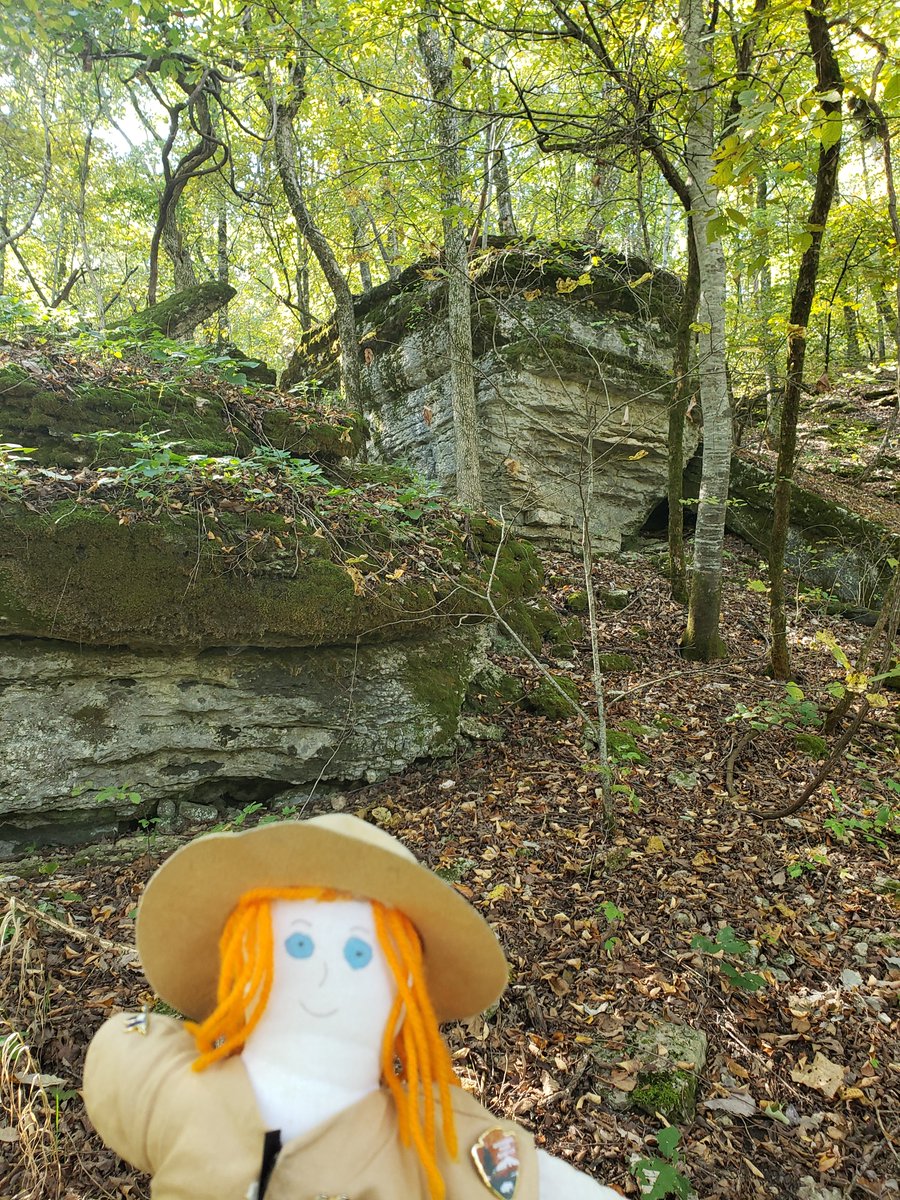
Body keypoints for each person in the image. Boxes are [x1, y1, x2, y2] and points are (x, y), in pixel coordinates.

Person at [84, 813, 623, 1200]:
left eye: (359, 953)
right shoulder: (179, 1084)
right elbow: (123, 1060)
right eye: (297, 945)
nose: (321, 969)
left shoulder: (422, 1139)